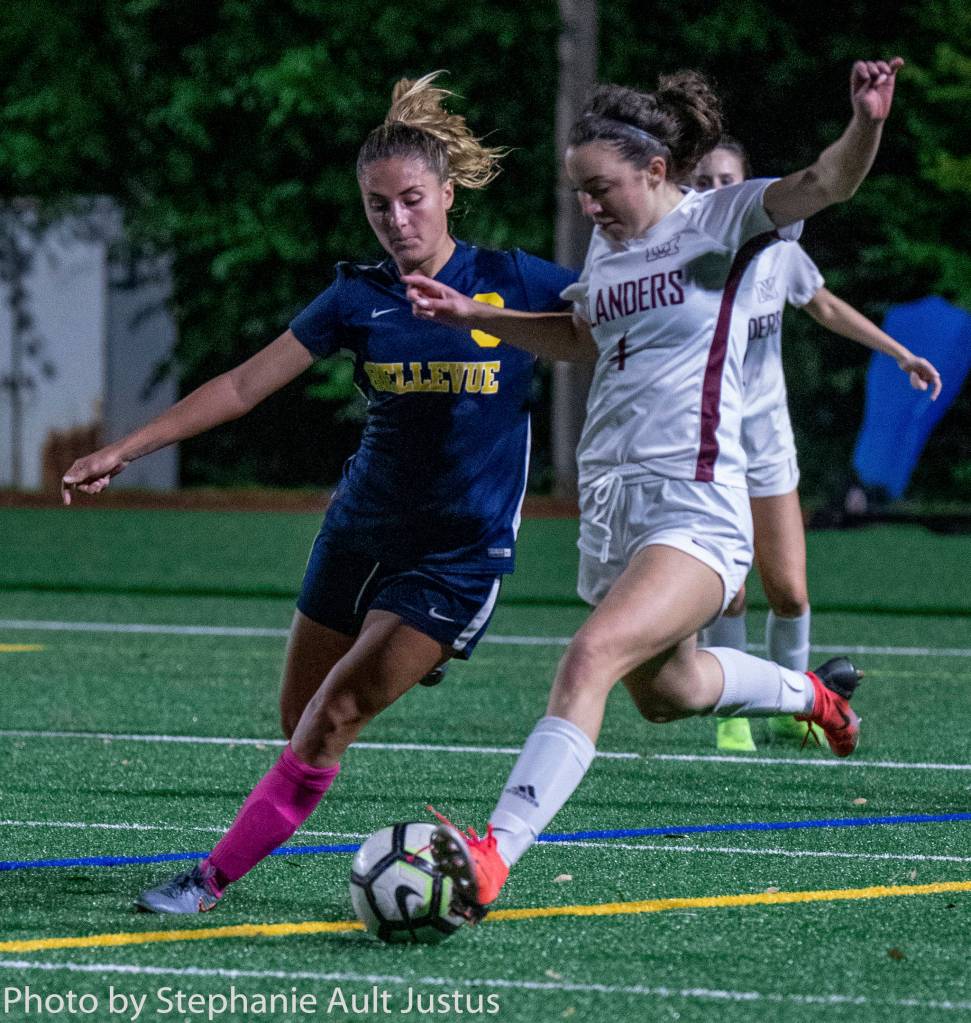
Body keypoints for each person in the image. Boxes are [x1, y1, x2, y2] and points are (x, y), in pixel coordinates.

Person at [60, 72, 578, 913]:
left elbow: (616, 320)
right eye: (379, 207)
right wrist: (126, 446)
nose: (398, 221)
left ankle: (209, 877)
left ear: (449, 194)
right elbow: (241, 385)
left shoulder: (513, 282)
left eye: (413, 200)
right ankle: (404, 653)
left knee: (333, 713)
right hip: (358, 532)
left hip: (457, 554)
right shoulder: (358, 296)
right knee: (299, 720)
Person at [404, 58, 904, 920]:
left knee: (589, 657)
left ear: (657, 171)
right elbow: (577, 337)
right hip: (613, 508)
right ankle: (810, 695)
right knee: (665, 693)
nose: (587, 208)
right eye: (578, 193)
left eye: (600, 188)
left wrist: (866, 121)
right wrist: (474, 316)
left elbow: (829, 180)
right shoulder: (607, 249)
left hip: (697, 504)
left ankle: (492, 855)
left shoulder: (725, 220)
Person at [691, 138, 941, 754]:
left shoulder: (780, 250)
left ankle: (792, 708)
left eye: (728, 177)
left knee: (791, 591)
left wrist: (901, 352)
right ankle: (732, 714)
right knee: (731, 586)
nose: (717, 188)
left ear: (748, 184)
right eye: (704, 179)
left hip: (768, 440)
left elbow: (824, 304)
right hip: (708, 442)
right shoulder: (688, 257)